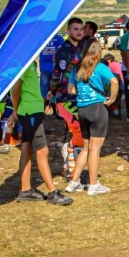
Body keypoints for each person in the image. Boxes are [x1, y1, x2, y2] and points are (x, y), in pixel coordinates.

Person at [10, 61, 72, 205]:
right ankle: (52, 192)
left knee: (26, 148)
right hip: (29, 111)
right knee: (42, 150)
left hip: (32, 110)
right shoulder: (24, 63)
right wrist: (15, 109)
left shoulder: (31, 63)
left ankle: (25, 190)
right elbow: (15, 89)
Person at [64, 38, 117, 196]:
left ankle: (74, 181)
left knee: (86, 148)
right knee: (95, 149)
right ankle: (93, 185)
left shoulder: (77, 68)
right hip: (97, 109)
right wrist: (112, 99)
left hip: (82, 109)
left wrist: (84, 93)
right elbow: (114, 81)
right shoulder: (100, 67)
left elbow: (70, 90)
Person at [48, 17, 87, 176]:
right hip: (65, 97)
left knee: (78, 130)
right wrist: (53, 92)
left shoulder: (83, 49)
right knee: (77, 130)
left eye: (81, 29)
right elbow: (56, 74)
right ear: (68, 31)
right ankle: (71, 167)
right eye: (75, 29)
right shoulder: (63, 51)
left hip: (81, 96)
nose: (79, 32)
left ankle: (72, 164)